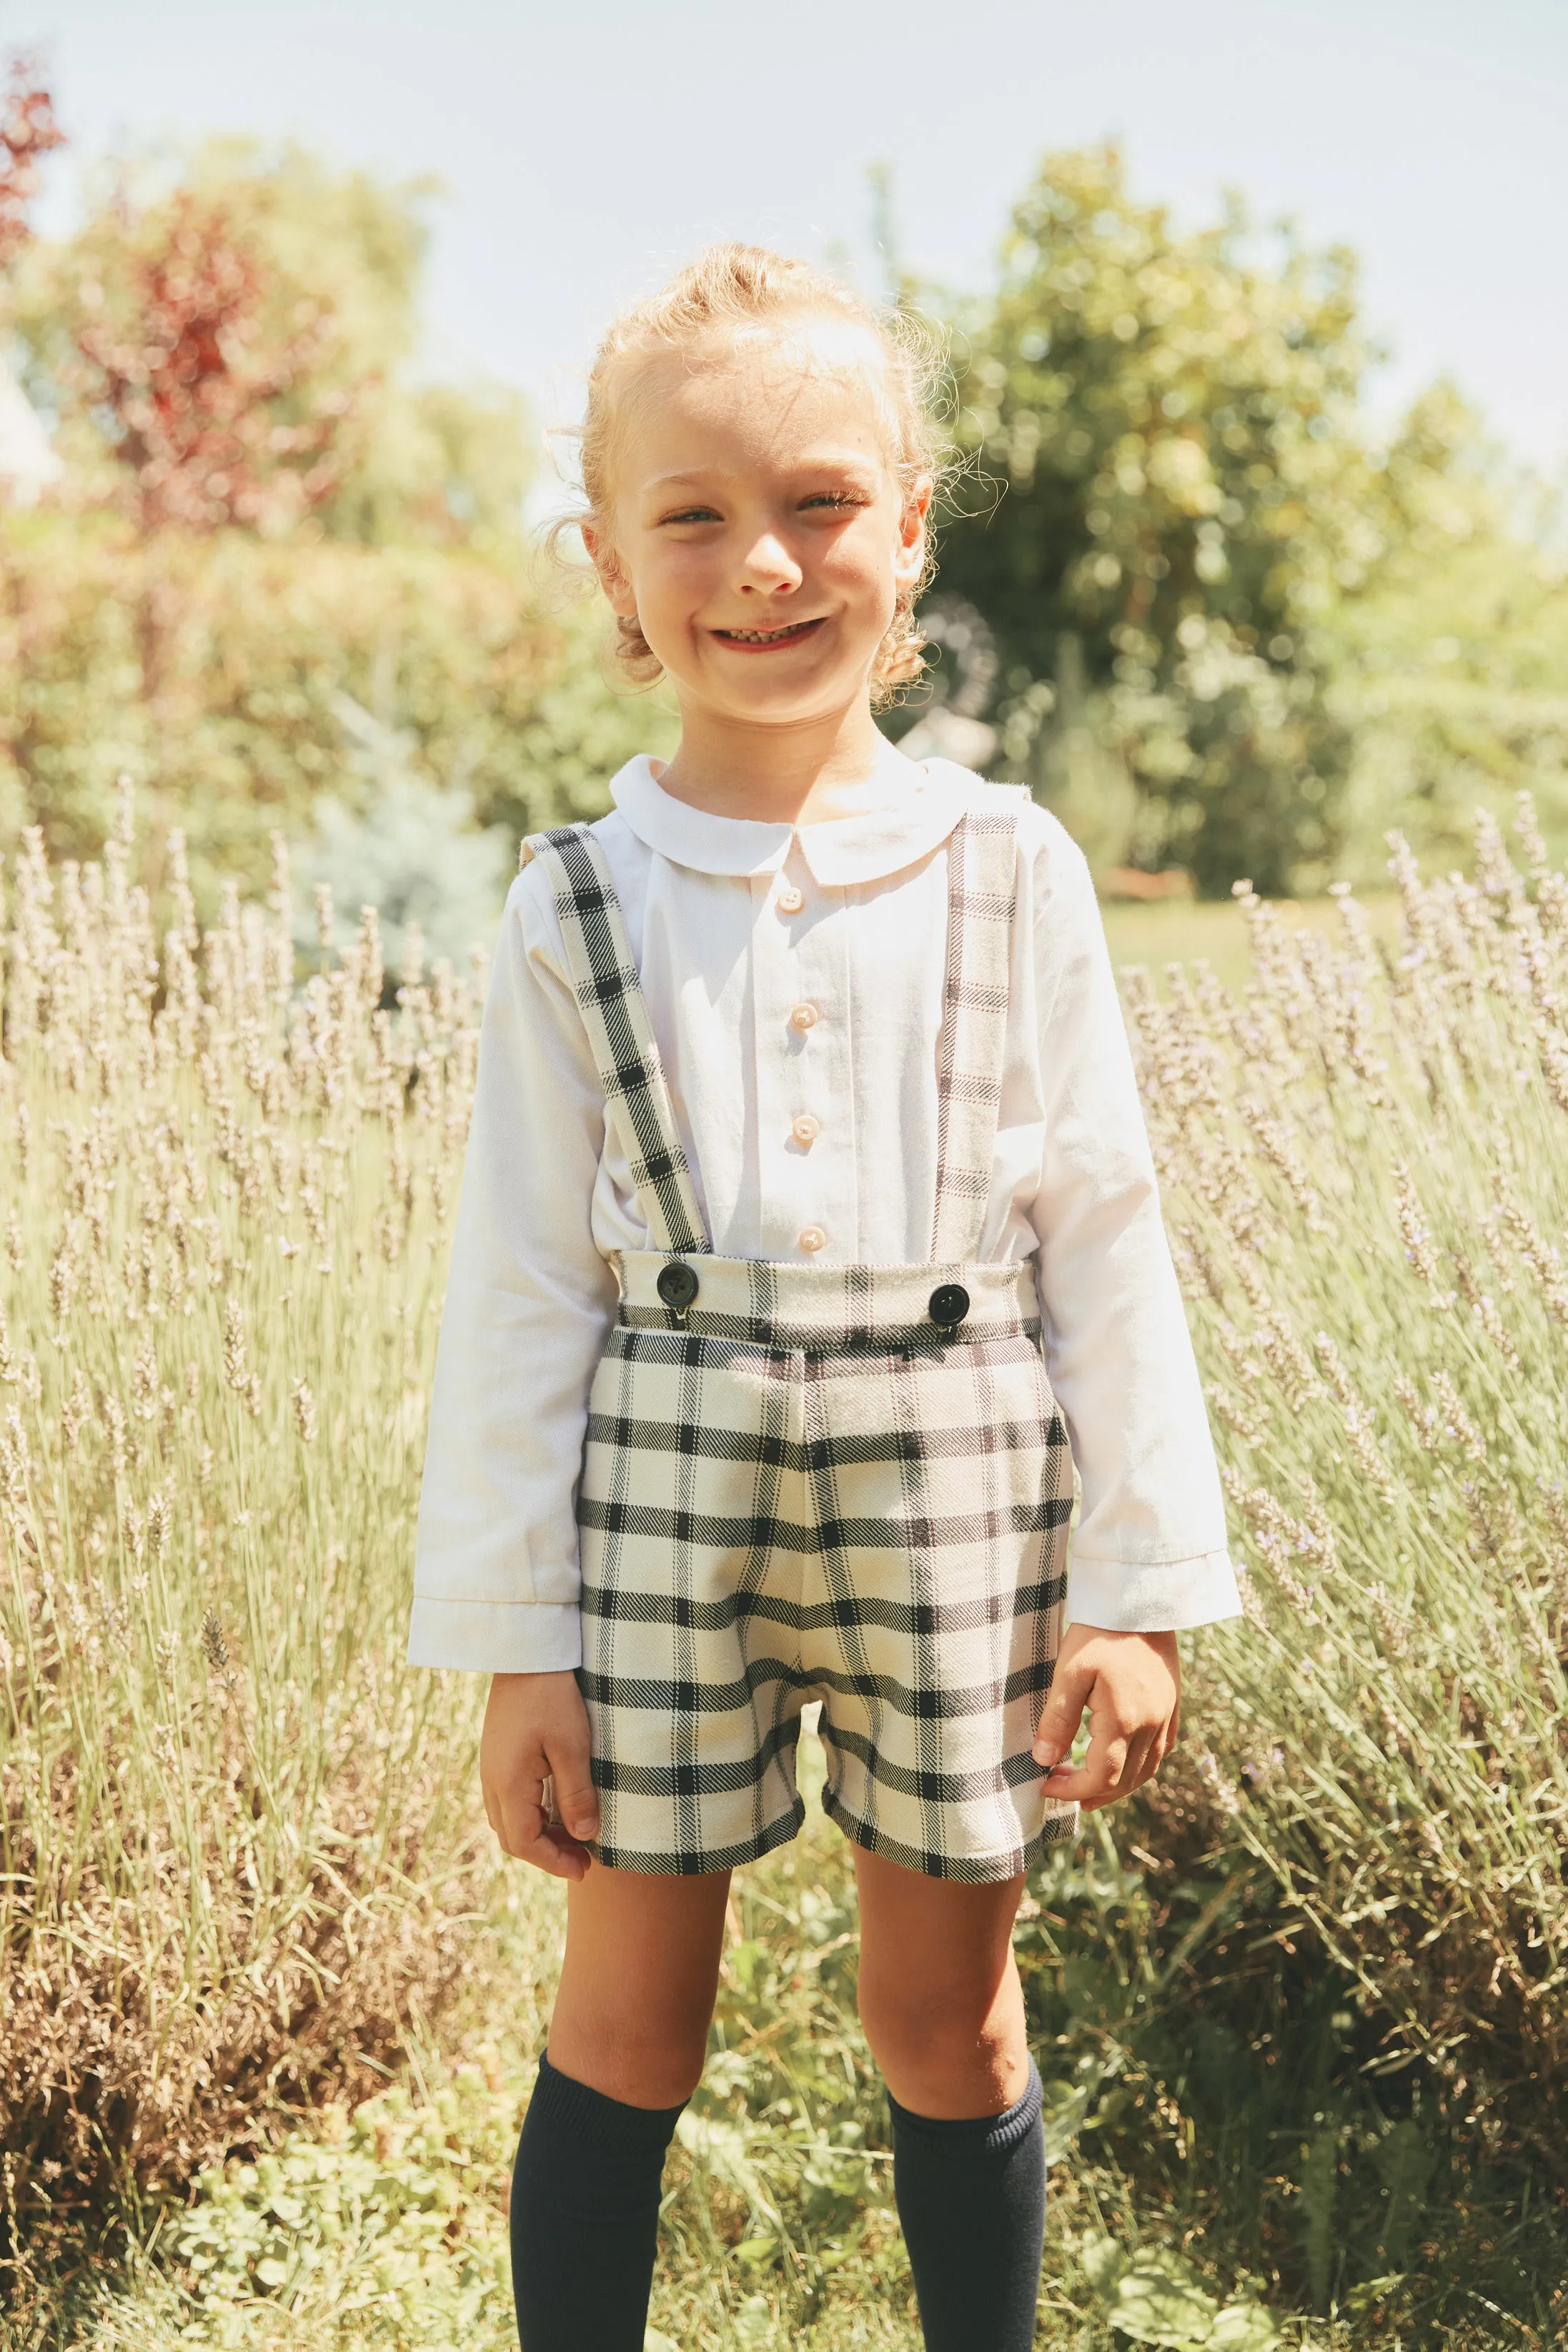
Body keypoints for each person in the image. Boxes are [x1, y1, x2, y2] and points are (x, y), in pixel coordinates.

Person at [409, 244, 1241, 2352]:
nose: (761, 564)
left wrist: (1133, 1591)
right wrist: (521, 1646)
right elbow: (518, 1294)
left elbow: (1108, 1232)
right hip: (660, 1504)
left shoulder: (1013, 869)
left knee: (942, 2018)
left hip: (957, 1488)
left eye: (818, 504)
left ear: (909, 528)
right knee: (629, 2018)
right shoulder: (572, 902)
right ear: (607, 562)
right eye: (690, 516)